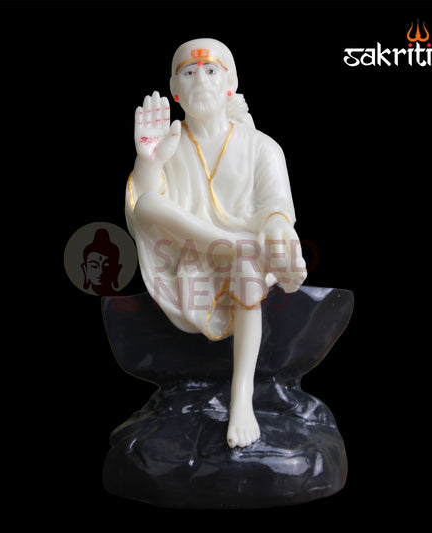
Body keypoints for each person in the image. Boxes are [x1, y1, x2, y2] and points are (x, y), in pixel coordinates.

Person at [125, 38, 306, 448]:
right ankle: (231, 245)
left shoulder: (262, 147)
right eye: (189, 73)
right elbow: (143, 210)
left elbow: (277, 207)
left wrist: (279, 229)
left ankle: (241, 398)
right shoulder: (173, 143)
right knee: (150, 201)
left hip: (246, 258)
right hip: (188, 255)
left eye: (211, 71)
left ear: (230, 82)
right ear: (175, 89)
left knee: (246, 264)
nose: (201, 80)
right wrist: (149, 160)